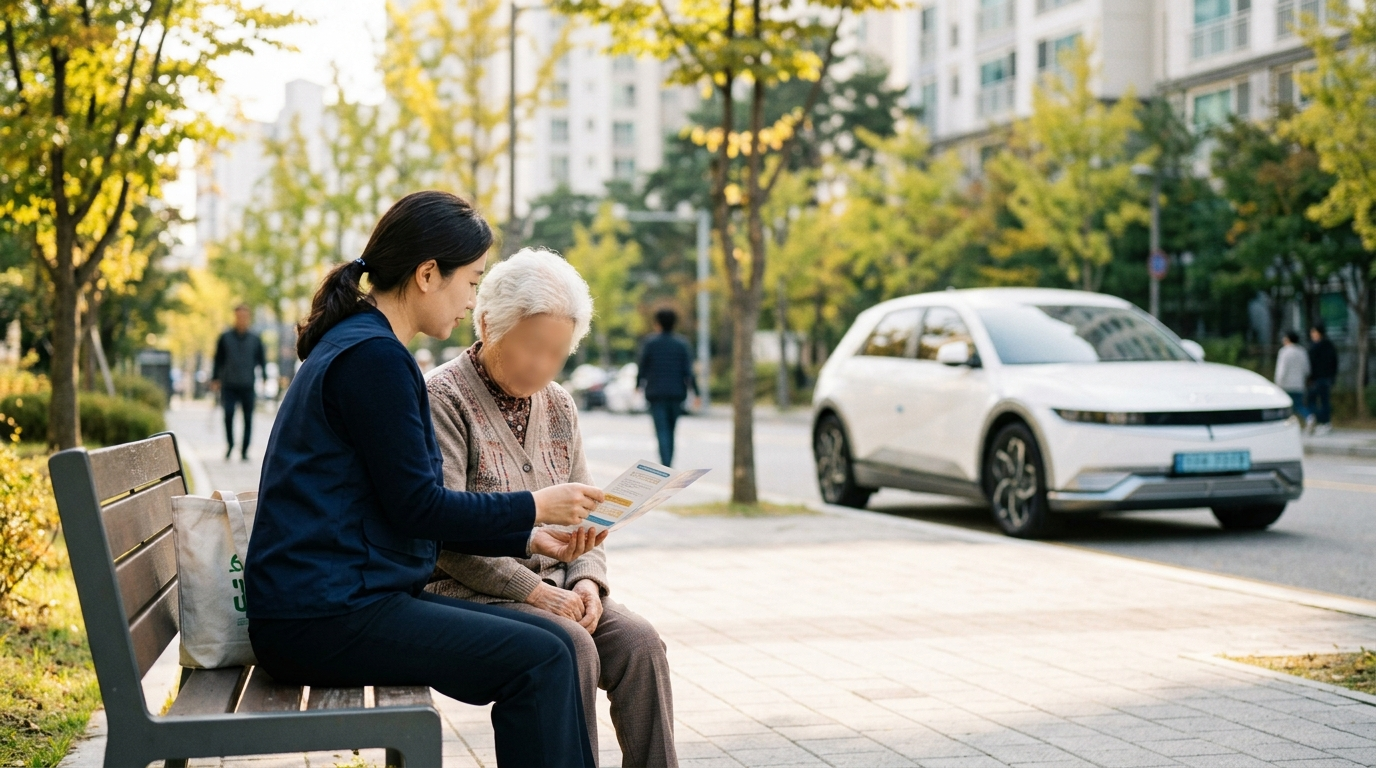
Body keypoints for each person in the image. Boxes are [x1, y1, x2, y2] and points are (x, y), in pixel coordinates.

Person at [245, 191, 607, 768]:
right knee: (543, 657)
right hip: (325, 618)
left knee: (558, 645)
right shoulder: (375, 360)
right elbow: (421, 508)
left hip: (334, 603)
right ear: (427, 274)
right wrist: (534, 508)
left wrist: (527, 535)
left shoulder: (363, 345)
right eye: (471, 282)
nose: (471, 302)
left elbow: (406, 507)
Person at [426, 249, 677, 768]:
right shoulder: (442, 399)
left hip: (560, 590)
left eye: (558, 353)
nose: (542, 365)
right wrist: (535, 591)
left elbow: (588, 515)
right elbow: (441, 533)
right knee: (571, 647)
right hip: (467, 594)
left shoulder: (560, 404)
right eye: (532, 346)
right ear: (489, 324)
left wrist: (586, 579)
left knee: (641, 644)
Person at [636, 308, 698, 467]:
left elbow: (642, 366)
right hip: (677, 393)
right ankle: (668, 463)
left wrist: (638, 385)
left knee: (661, 430)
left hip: (656, 393)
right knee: (671, 430)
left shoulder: (650, 343)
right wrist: (696, 392)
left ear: (657, 324)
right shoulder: (682, 344)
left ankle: (666, 465)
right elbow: (688, 371)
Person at [211, 304, 266, 461]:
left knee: (248, 419)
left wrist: (265, 378)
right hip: (229, 384)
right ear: (235, 316)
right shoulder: (225, 337)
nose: (241, 319)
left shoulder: (255, 339)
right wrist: (215, 379)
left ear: (248, 317)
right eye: (239, 316)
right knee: (228, 415)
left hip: (248, 385)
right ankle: (230, 445)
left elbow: (261, 360)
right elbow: (218, 359)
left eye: (244, 316)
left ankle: (244, 450)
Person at [1308, 323, 1338, 435]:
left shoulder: (1318, 346)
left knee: (1318, 400)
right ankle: (1324, 422)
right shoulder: (1328, 345)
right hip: (1325, 377)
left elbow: (1313, 364)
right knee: (1322, 401)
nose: (1312, 334)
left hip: (1319, 378)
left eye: (1314, 332)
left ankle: (1323, 422)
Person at [1275, 330, 1311, 422]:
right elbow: (1307, 369)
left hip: (1286, 384)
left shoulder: (1284, 351)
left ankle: (1288, 423)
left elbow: (1281, 370)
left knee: (1287, 406)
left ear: (1287, 339)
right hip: (1299, 384)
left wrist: (1278, 383)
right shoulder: (1302, 351)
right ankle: (1309, 418)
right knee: (1299, 405)